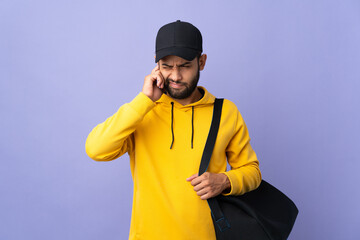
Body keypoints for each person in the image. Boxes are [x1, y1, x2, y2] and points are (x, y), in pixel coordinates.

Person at [85, 20, 261, 240]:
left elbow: (252, 171)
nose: (176, 76)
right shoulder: (142, 111)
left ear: (202, 61)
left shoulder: (226, 112)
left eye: (185, 65)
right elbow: (96, 149)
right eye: (167, 66)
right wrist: (144, 100)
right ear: (156, 65)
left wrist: (225, 181)